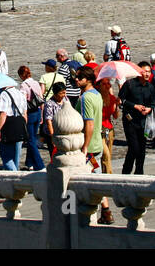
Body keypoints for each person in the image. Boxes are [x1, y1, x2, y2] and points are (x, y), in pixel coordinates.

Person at [76, 66, 114, 224]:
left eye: (79, 78)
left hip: (89, 148)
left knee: (82, 180)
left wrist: (85, 146)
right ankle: (106, 211)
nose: (76, 80)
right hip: (97, 144)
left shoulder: (86, 98)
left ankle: (83, 211)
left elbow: (89, 124)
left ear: (88, 80)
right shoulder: (97, 94)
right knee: (97, 175)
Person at [119, 61, 155, 174]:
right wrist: (135, 106)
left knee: (142, 148)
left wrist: (149, 108)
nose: (147, 74)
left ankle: (139, 171)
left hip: (144, 121)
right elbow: (121, 100)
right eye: (145, 71)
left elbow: (154, 102)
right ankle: (126, 171)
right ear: (139, 72)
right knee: (134, 147)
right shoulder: (130, 84)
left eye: (149, 72)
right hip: (130, 120)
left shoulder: (151, 87)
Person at [0, 82, 28, 170]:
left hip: (9, 126)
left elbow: (3, 114)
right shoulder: (21, 94)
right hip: (20, 124)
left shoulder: (4, 94)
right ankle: (15, 176)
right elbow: (25, 114)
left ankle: (13, 173)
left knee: (6, 156)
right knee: (16, 156)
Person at [40, 81, 68, 161]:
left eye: (64, 92)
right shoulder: (49, 104)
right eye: (61, 93)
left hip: (63, 131)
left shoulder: (66, 99)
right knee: (54, 154)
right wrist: (53, 137)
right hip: (53, 132)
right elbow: (49, 121)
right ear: (55, 93)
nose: (63, 95)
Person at [98, 77, 119, 175]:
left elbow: (115, 116)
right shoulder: (97, 98)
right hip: (99, 129)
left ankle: (104, 174)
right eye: (104, 84)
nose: (107, 86)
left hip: (108, 129)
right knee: (105, 154)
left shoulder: (112, 98)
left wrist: (116, 106)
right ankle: (109, 175)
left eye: (108, 83)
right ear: (99, 86)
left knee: (108, 155)